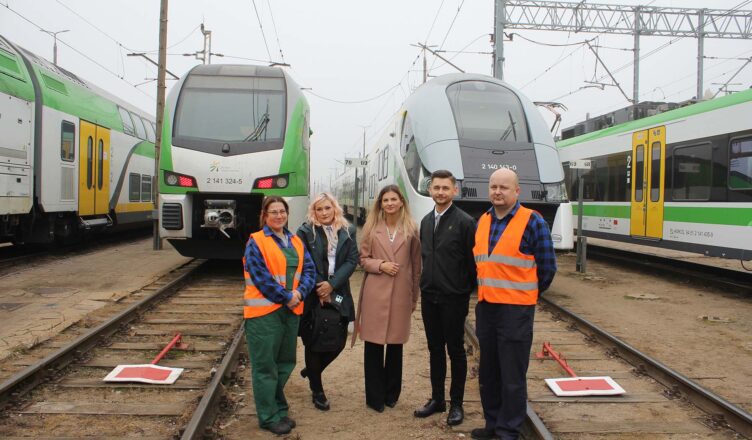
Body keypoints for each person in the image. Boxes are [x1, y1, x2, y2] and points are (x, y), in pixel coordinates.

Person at [471, 169, 557, 440]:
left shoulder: (533, 222)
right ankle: (493, 424)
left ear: (517, 191)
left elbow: (547, 269)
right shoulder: (483, 221)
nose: (497, 191)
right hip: (487, 308)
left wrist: (524, 294)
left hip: (515, 311)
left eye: (504, 187)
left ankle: (508, 432)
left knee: (512, 376)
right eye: (493, 186)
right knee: (489, 372)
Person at [243, 196, 316, 436]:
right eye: (273, 212)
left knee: (285, 363)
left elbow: (309, 270)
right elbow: (260, 276)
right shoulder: (256, 242)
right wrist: (286, 296)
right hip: (264, 314)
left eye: (282, 211)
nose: (278, 216)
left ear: (287, 214)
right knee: (265, 366)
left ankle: (279, 408)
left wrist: (299, 293)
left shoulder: (295, 240)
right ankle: (268, 416)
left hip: (290, 311)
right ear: (265, 216)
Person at [413, 170, 476, 426]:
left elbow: (473, 263)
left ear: (454, 191)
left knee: (456, 351)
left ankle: (456, 404)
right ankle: (437, 399)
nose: (440, 192)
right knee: (434, 350)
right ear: (430, 190)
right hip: (430, 296)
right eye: (436, 187)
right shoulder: (426, 221)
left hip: (453, 298)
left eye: (445, 188)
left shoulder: (465, 222)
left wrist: (463, 290)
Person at [353, 184, 421, 413]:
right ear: (380, 204)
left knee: (395, 345)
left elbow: (416, 266)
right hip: (375, 292)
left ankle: (392, 394)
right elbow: (362, 260)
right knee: (373, 346)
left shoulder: (411, 229)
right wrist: (380, 265)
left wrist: (414, 297)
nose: (390, 203)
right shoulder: (371, 229)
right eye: (385, 200)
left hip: (401, 293)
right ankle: (374, 397)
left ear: (401, 202)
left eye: (394, 199)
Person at [296, 193, 359, 411]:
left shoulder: (348, 231)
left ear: (335, 209)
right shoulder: (305, 232)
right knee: (313, 340)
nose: (324, 213)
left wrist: (331, 285)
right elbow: (303, 262)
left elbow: (352, 260)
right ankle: (317, 390)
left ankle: (312, 371)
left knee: (339, 340)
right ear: (313, 211)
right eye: (319, 209)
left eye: (327, 208)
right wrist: (321, 286)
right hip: (313, 293)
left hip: (339, 291)